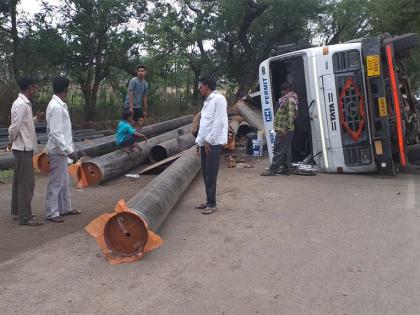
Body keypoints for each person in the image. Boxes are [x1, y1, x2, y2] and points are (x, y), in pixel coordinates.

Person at [45, 76, 81, 223]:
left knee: (64, 181)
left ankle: (65, 208)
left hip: (61, 150)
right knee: (56, 182)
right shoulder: (56, 106)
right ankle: (52, 213)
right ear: (65, 89)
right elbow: (55, 133)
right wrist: (68, 150)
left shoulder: (58, 104)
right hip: (58, 151)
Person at [8, 76, 42, 226]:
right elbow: (15, 127)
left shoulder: (22, 103)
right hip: (23, 148)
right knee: (26, 183)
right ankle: (25, 217)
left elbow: (23, 123)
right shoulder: (22, 104)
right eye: (34, 87)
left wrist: (34, 119)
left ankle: (17, 211)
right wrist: (11, 140)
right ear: (29, 88)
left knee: (19, 181)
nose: (36, 90)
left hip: (22, 147)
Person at [195, 75, 228, 215]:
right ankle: (209, 199)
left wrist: (208, 140)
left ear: (206, 86)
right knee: (205, 173)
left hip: (213, 143)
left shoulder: (219, 99)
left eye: (200, 87)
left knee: (211, 174)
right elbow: (204, 124)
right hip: (205, 143)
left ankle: (212, 204)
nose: (199, 89)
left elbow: (219, 122)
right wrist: (199, 142)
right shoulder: (207, 101)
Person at [261, 81, 298, 176]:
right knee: (285, 150)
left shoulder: (290, 101)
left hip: (284, 130)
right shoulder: (286, 100)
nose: (282, 92)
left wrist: (285, 129)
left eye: (284, 90)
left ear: (289, 90)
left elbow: (291, 117)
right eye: (282, 90)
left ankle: (272, 170)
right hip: (284, 129)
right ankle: (286, 169)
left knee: (278, 150)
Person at [124, 65, 149, 130]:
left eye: (142, 71)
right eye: (139, 71)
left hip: (138, 106)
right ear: (137, 72)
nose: (140, 72)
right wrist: (131, 108)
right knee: (131, 124)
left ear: (145, 72)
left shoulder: (145, 83)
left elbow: (145, 96)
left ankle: (136, 137)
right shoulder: (133, 80)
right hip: (129, 105)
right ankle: (130, 137)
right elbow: (130, 93)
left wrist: (145, 110)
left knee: (141, 122)